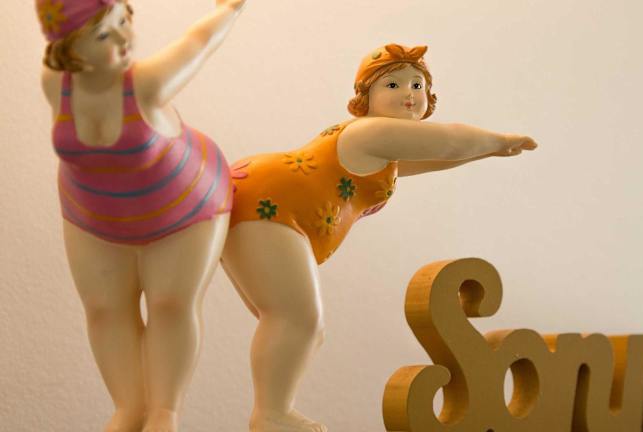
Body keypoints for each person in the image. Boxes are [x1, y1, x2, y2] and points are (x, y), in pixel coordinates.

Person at [222, 43, 538, 432]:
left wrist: (487, 153)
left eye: (418, 85)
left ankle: (272, 412)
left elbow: (436, 157)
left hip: (268, 204)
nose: (409, 94)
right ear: (366, 97)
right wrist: (499, 139)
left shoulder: (383, 151)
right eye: (392, 84)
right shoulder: (371, 131)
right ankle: (271, 414)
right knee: (298, 321)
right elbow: (450, 140)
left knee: (298, 326)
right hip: (268, 203)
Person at [36, 0, 247, 430]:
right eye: (102, 34)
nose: (123, 38)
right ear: (68, 49)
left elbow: (198, 42)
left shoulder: (147, 82)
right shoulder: (54, 82)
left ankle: (164, 412)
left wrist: (230, 8)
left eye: (123, 21)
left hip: (183, 203)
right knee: (104, 310)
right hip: (92, 213)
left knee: (170, 304)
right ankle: (129, 408)